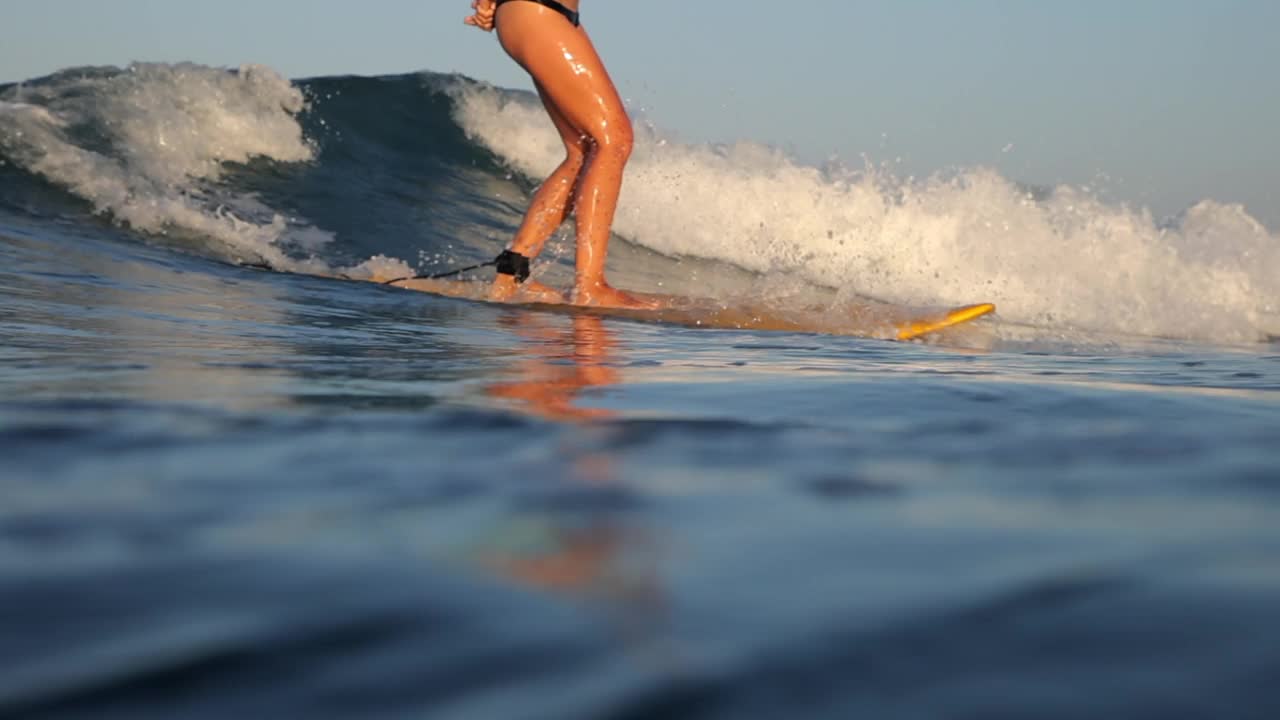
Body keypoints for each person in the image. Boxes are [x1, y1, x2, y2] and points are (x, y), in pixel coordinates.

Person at [465, 0, 657, 309]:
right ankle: (590, 285)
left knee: (583, 150)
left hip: (547, 14)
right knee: (614, 140)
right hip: (538, 11)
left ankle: (510, 274)